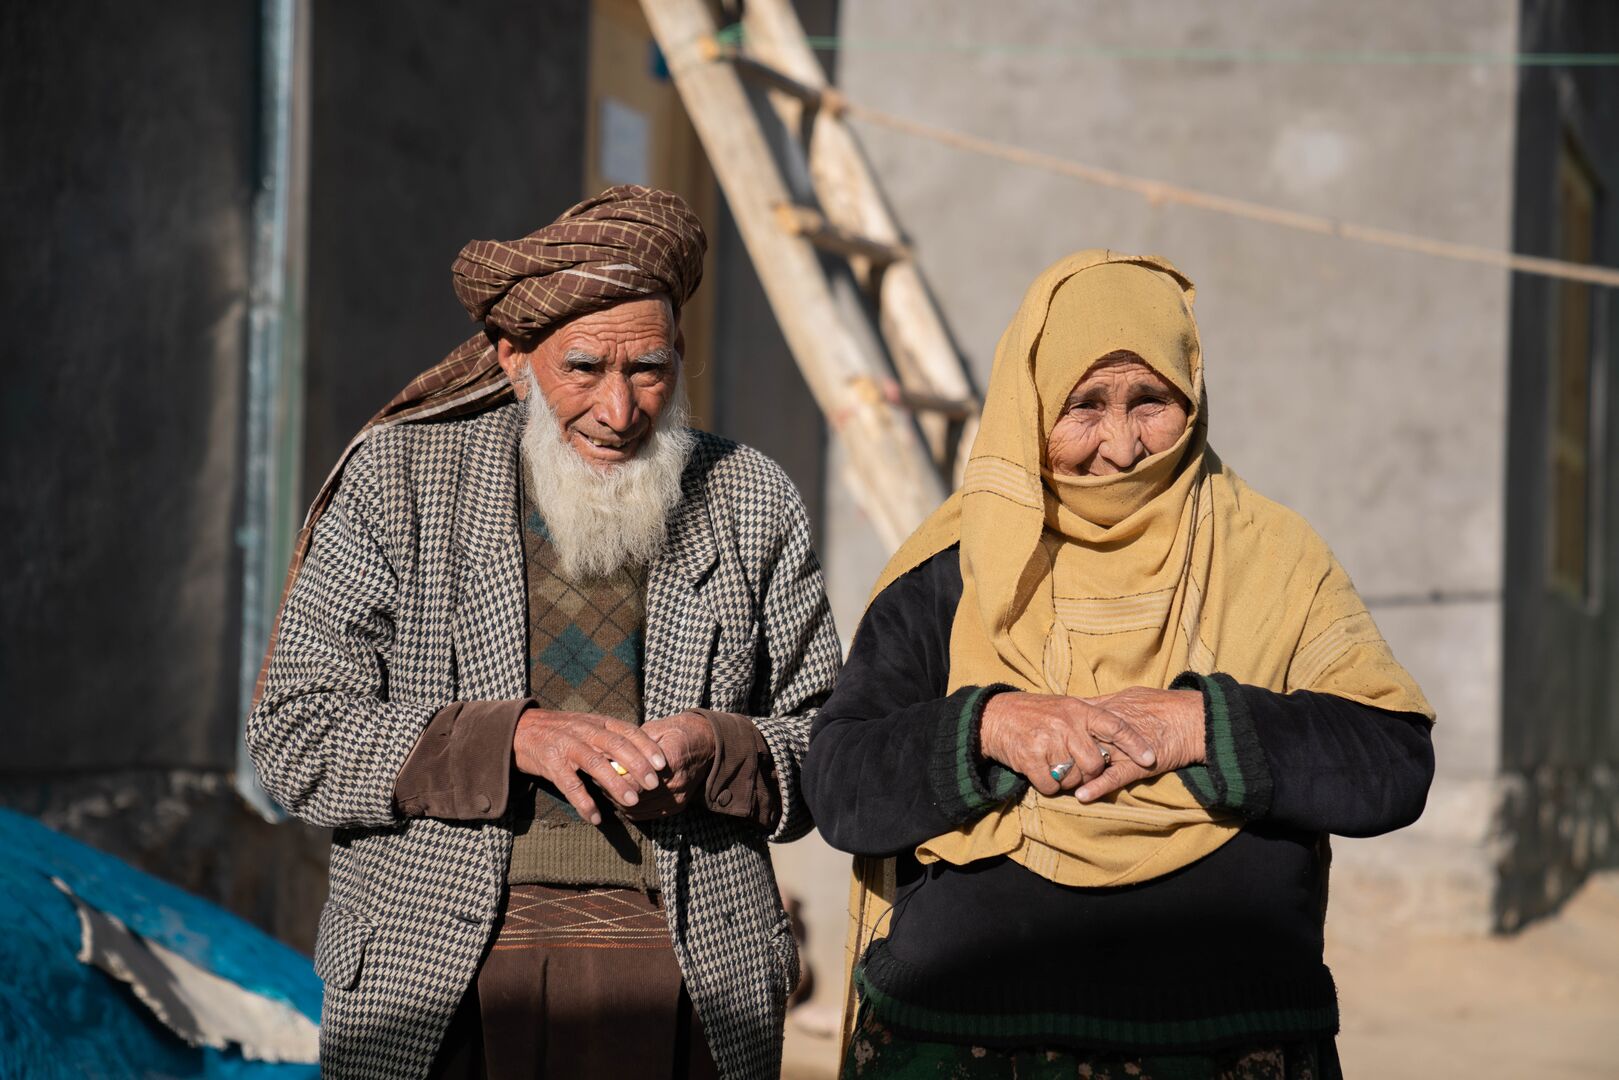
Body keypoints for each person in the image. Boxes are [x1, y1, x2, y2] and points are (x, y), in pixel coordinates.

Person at [247, 186, 840, 1080]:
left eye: (649, 369)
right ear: (513, 358)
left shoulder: (747, 497)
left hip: (689, 982)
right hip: (437, 980)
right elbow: (295, 733)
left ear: (680, 355)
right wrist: (511, 740)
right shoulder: (400, 481)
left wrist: (718, 749)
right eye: (584, 368)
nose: (620, 409)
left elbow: (828, 744)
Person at [803, 250, 1435, 1079]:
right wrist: (988, 725)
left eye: (1150, 401)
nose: (1121, 445)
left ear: (1192, 396)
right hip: (967, 1041)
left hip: (1228, 1039)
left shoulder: (1273, 556)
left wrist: (1203, 725)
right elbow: (839, 783)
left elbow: (1391, 762)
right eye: (1084, 407)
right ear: (1031, 407)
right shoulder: (956, 566)